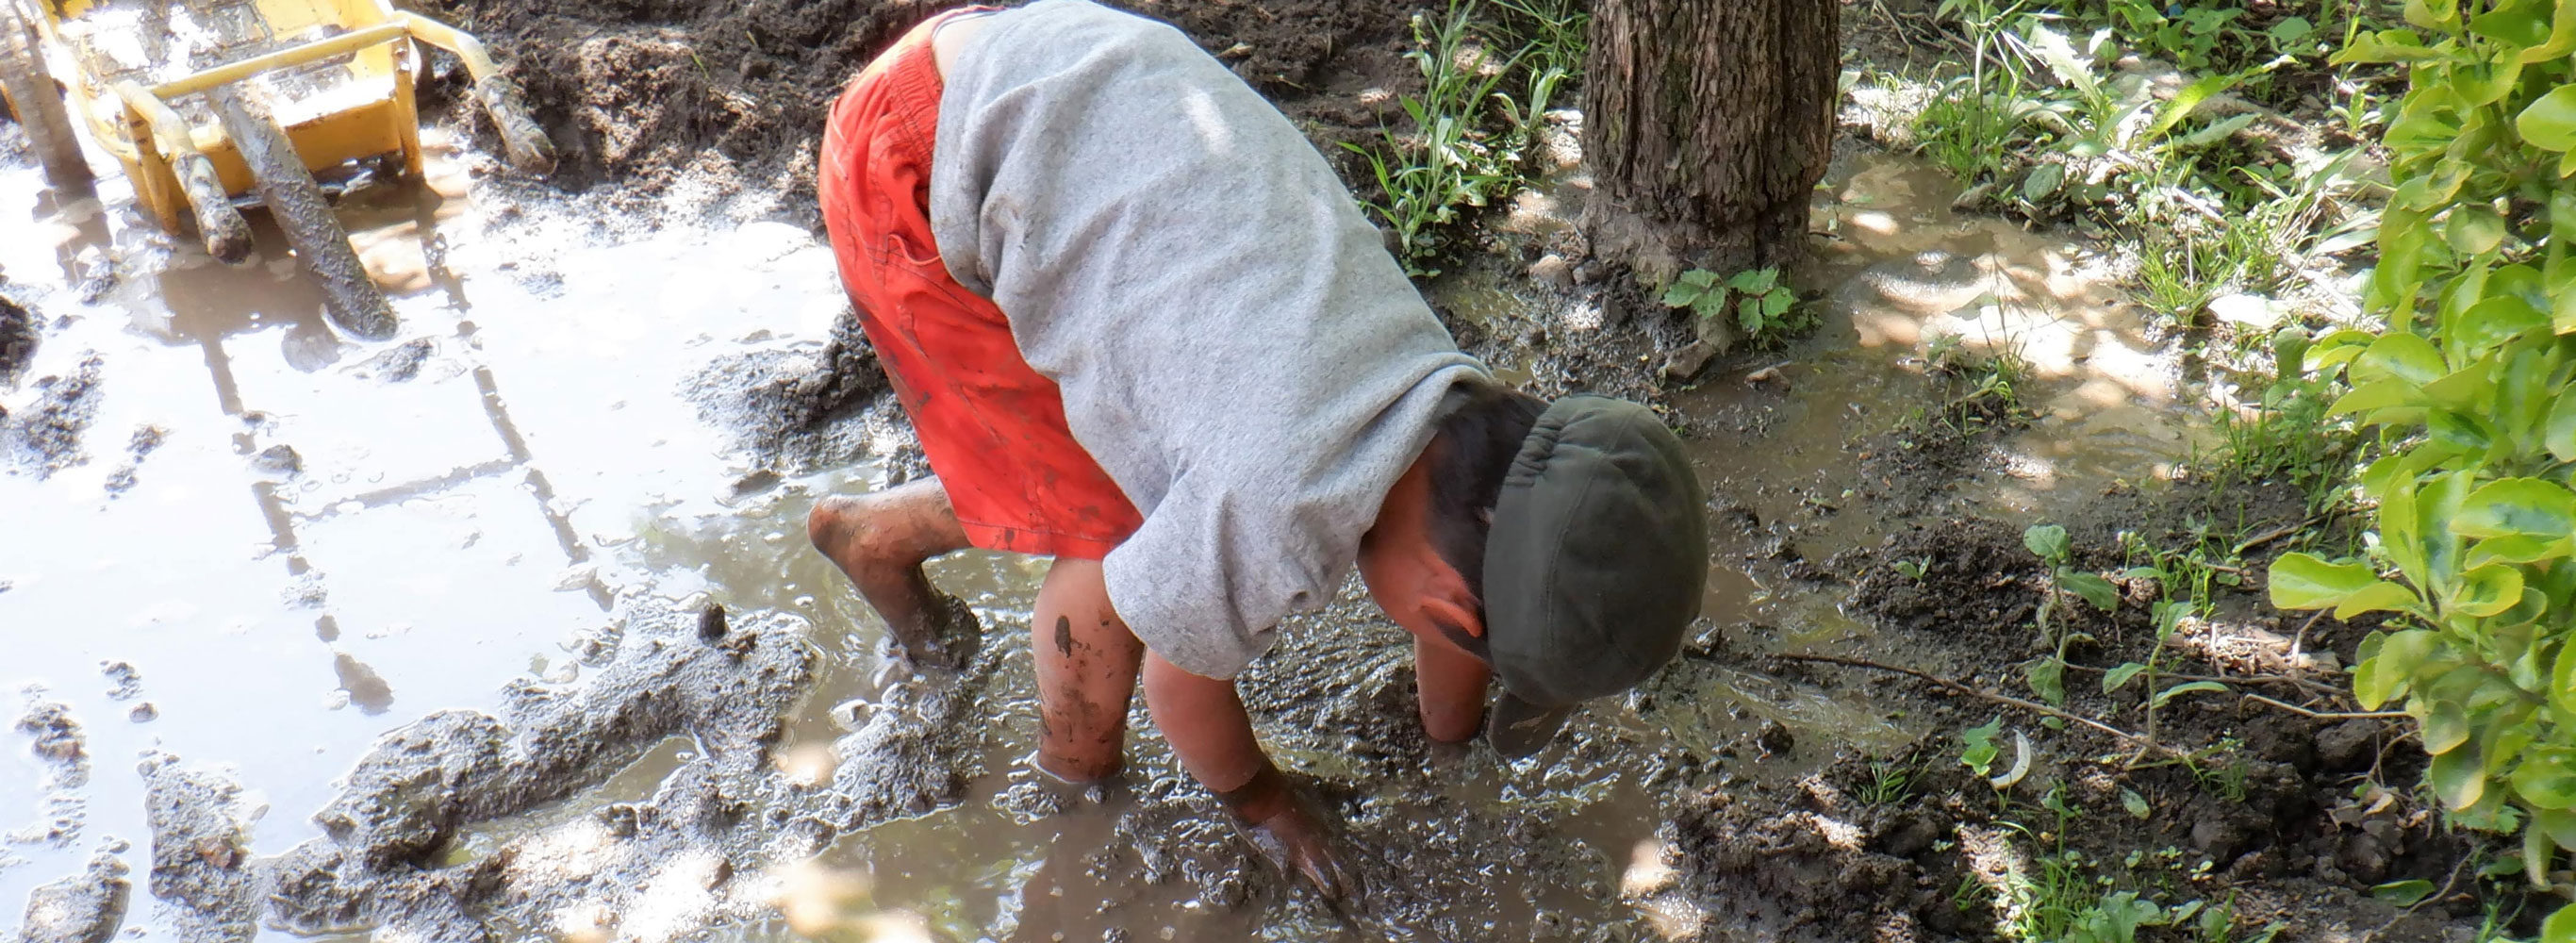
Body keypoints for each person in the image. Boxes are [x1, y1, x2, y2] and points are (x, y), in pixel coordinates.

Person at [805, 0, 1709, 899]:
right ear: (1449, 603)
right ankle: (1070, 779)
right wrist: (1265, 804)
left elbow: (1466, 606)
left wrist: (1449, 743)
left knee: (1075, 474)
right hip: (921, 159)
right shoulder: (1274, 505)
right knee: (1107, 539)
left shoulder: (1450, 403)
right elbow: (1179, 685)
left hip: (1072, 75)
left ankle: (875, 532)